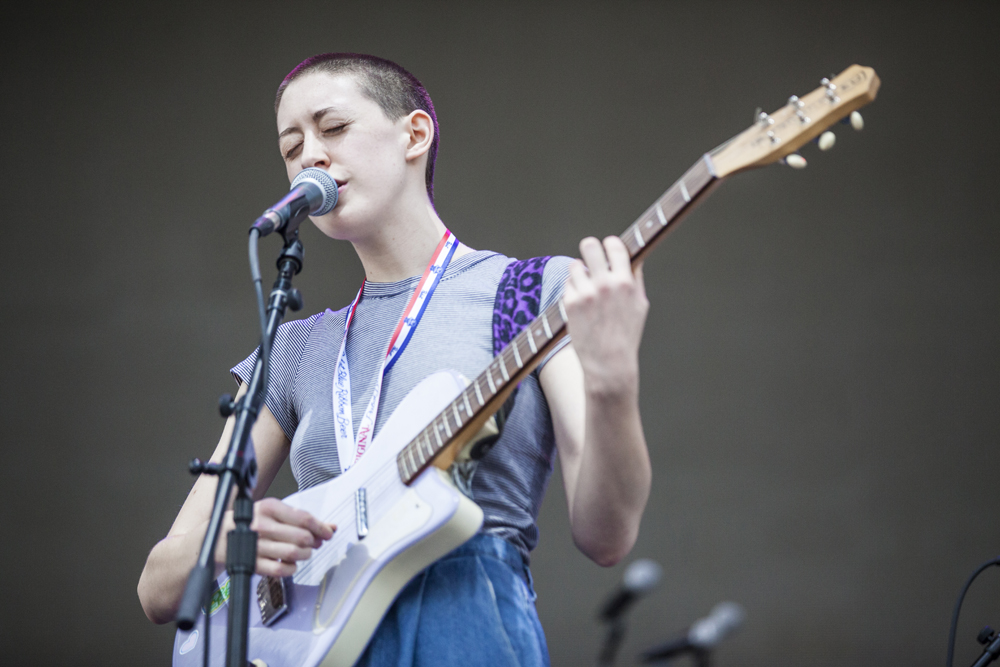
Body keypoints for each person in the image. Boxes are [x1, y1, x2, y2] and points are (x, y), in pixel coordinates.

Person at [137, 53, 652, 666]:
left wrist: (614, 383)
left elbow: (607, 537)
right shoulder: (295, 350)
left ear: (415, 134)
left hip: (464, 622)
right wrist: (227, 542)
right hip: (319, 644)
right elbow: (157, 587)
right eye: (291, 144)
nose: (309, 156)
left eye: (332, 128)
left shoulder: (533, 293)